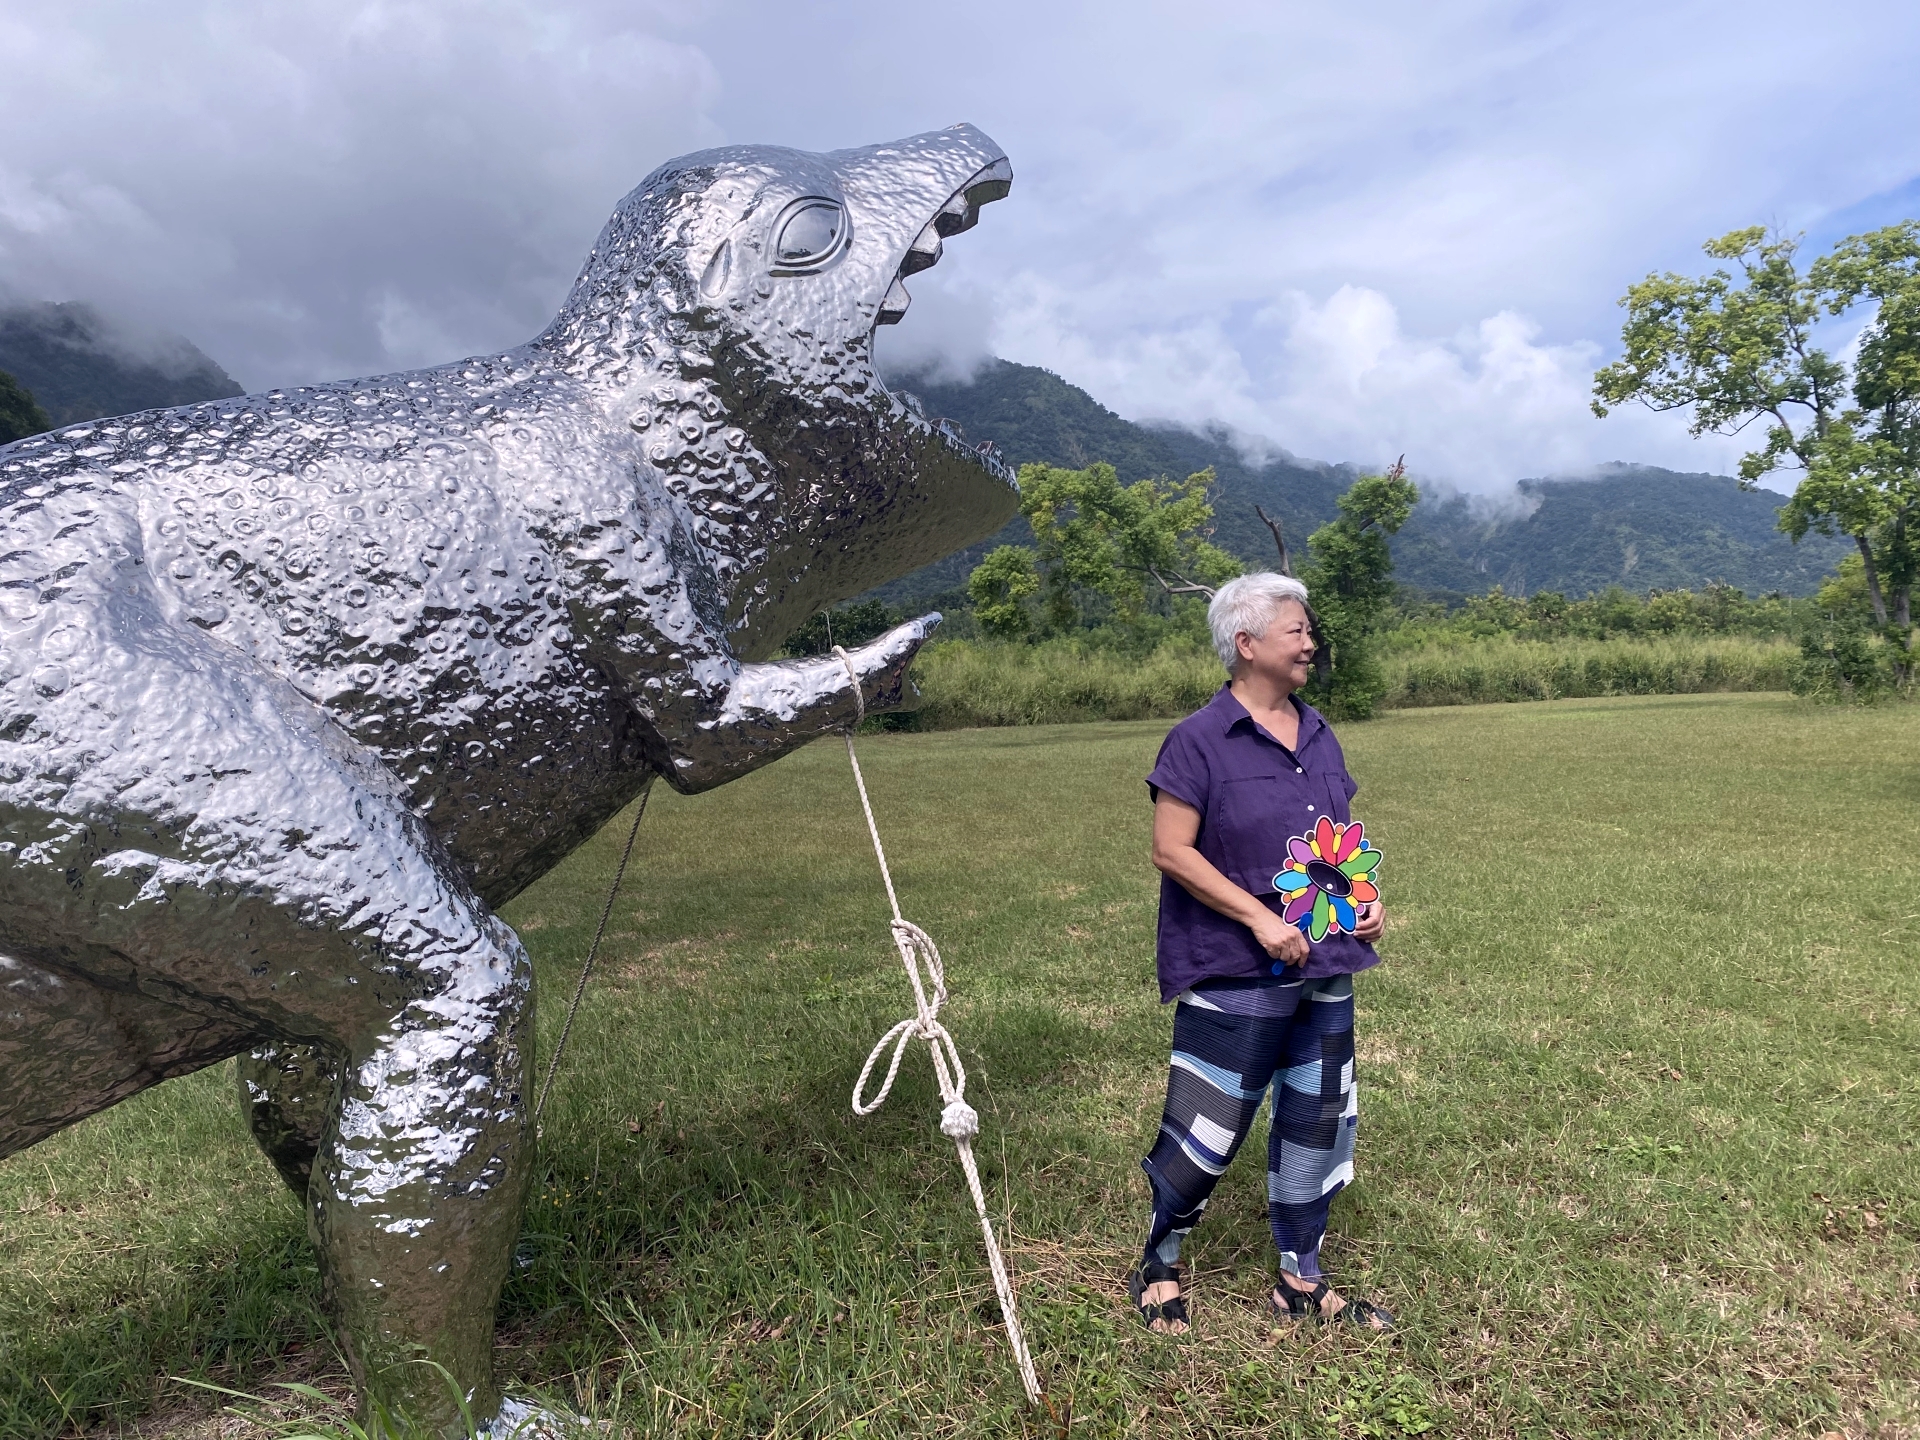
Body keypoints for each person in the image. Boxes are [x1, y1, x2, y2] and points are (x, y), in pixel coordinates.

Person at [1130, 571, 1393, 1333]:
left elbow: (1338, 840)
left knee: (1318, 1117)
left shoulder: (1317, 730)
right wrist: (1258, 919)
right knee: (1210, 1125)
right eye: (1296, 631)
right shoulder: (1197, 740)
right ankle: (1163, 1259)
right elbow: (1171, 851)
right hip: (1235, 965)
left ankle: (1300, 1279)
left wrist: (1364, 901)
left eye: (1309, 631)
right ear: (1246, 645)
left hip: (1325, 964)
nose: (1310, 642)